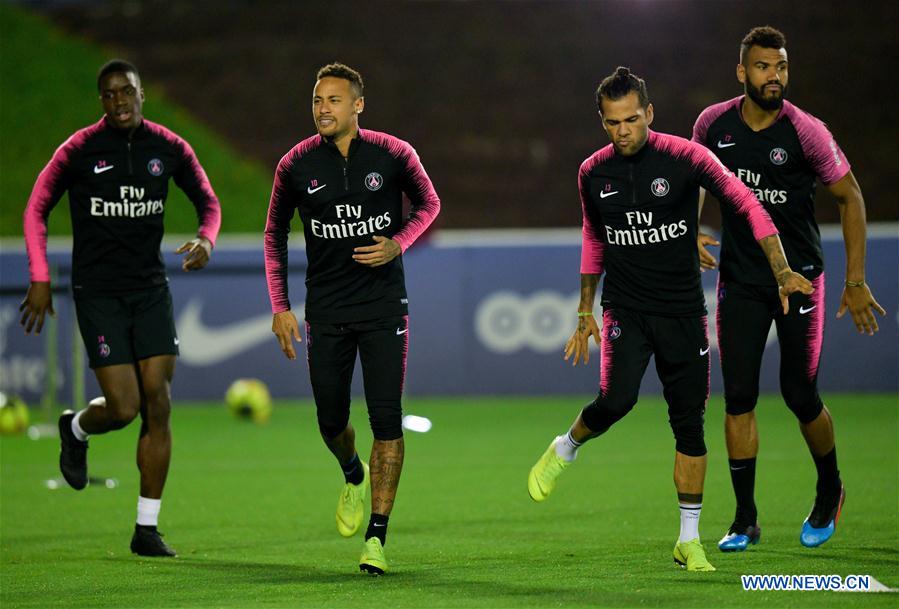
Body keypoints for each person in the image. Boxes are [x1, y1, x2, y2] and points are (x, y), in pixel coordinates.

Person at [526, 66, 812, 571]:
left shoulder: (686, 157)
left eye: (632, 119)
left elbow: (745, 202)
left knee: (690, 427)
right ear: (603, 121)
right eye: (613, 122)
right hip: (626, 309)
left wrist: (782, 268)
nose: (623, 131)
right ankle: (566, 446)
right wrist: (583, 308)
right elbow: (595, 237)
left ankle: (688, 540)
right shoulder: (593, 172)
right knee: (617, 399)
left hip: (682, 312)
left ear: (649, 114)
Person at [692, 26, 886, 552]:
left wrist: (855, 280)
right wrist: (689, 232)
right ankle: (745, 519)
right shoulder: (713, 124)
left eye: (780, 67)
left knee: (801, 396)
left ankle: (830, 489)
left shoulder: (806, 131)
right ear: (742, 72)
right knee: (738, 399)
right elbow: (691, 179)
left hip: (800, 280)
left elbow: (850, 197)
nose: (773, 76)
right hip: (741, 281)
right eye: (762, 67)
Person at [20, 59, 222, 557]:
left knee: (159, 400)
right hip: (99, 293)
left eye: (126, 91)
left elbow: (209, 204)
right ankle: (76, 427)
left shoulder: (170, 148)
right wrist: (41, 277)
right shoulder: (80, 150)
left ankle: (146, 529)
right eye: (109, 95)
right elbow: (36, 208)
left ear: (141, 93)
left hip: (150, 290)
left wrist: (206, 239)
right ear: (102, 102)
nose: (119, 101)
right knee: (125, 407)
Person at [264, 63, 440, 575]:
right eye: (317, 100)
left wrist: (398, 243)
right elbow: (274, 236)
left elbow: (429, 204)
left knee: (386, 417)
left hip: (385, 307)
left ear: (358, 105)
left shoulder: (393, 153)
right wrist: (280, 306)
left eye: (334, 100)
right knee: (331, 420)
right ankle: (351, 470)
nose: (323, 108)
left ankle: (377, 538)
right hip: (328, 310)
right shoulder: (294, 164)